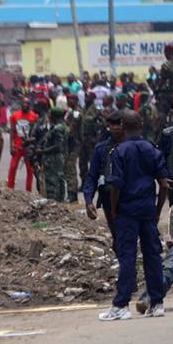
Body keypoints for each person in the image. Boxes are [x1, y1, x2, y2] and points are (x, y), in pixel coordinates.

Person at [99, 110, 169, 321]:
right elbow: (164, 184)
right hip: (147, 209)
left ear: (122, 125)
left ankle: (121, 305)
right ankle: (157, 303)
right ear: (141, 124)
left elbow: (116, 186)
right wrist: (157, 210)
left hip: (127, 211)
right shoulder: (151, 149)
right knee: (152, 256)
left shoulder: (120, 151)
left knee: (127, 256)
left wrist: (113, 209)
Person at [84, 111, 124, 242]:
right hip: (108, 197)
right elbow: (92, 176)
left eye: (119, 124)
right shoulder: (101, 149)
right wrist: (89, 201)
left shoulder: (134, 146)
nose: (116, 127)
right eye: (113, 124)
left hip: (129, 197)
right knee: (116, 234)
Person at [37, 107, 68, 202]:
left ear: (54, 116)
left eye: (50, 115)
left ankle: (54, 202)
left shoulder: (58, 128)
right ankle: (60, 202)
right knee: (60, 180)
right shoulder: (63, 126)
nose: (49, 116)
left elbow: (58, 146)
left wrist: (43, 151)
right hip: (59, 158)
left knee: (52, 182)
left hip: (53, 159)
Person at [8, 97, 38, 191]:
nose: (25, 105)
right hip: (17, 146)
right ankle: (10, 188)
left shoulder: (34, 116)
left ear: (30, 105)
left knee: (30, 169)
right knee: (13, 167)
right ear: (21, 104)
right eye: (24, 103)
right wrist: (11, 146)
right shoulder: (15, 116)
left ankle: (28, 190)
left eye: (27, 103)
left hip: (29, 147)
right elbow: (12, 131)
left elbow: (36, 133)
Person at [79, 92, 102, 188]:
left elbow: (101, 125)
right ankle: (84, 182)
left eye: (88, 97)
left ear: (92, 98)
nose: (86, 98)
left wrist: (96, 138)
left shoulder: (96, 110)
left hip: (91, 139)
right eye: (86, 97)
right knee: (82, 162)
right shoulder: (82, 109)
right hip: (82, 139)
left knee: (93, 162)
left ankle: (94, 183)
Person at [63, 94, 82, 202]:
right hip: (69, 143)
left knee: (70, 168)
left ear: (76, 100)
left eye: (71, 99)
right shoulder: (70, 112)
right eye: (68, 99)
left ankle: (72, 194)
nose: (68, 101)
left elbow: (71, 129)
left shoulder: (76, 113)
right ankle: (71, 192)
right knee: (67, 168)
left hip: (73, 143)